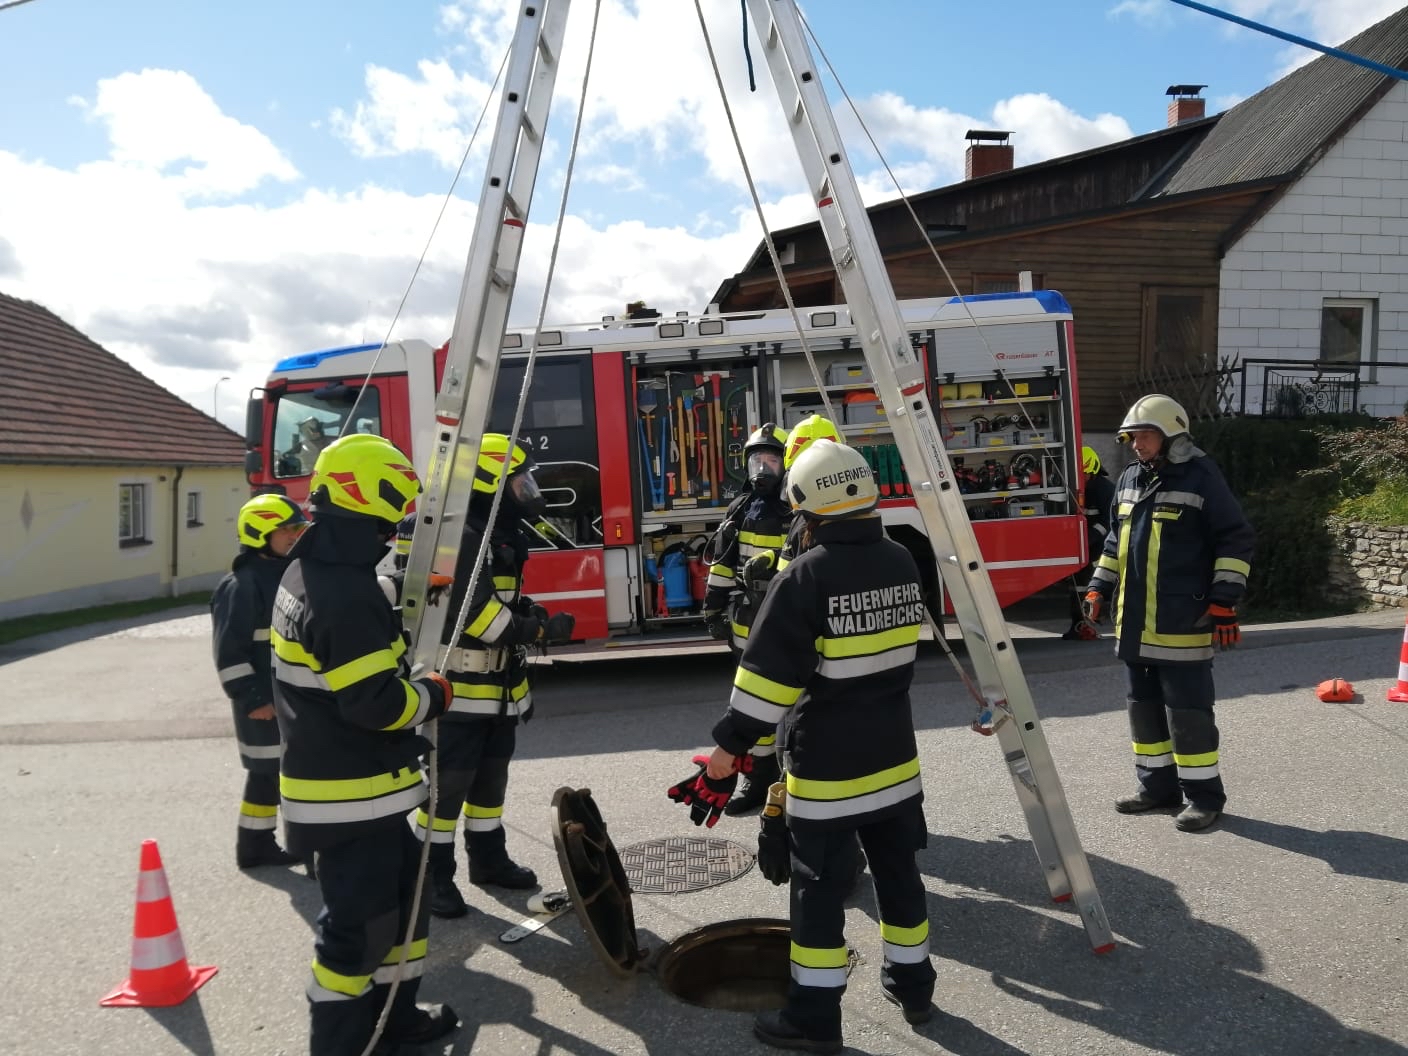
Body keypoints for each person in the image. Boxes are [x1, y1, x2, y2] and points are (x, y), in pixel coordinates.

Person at [694, 439, 936, 1052]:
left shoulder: (805, 578)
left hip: (829, 771)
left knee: (819, 895)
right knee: (900, 876)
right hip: (895, 761)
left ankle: (813, 1019)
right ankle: (914, 985)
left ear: (811, 508)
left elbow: (764, 689)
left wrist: (727, 753)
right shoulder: (904, 561)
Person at [271, 433, 460, 1056]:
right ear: (370, 496)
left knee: (404, 910)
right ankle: (341, 1045)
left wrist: (404, 585)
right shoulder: (342, 591)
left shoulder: (316, 566)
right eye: (395, 506)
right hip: (350, 800)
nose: (397, 522)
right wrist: (434, 695)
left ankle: (396, 1019)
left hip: (357, 793)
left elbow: (348, 626)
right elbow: (375, 704)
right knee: (354, 936)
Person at [411, 433, 575, 920]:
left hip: (494, 695)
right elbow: (478, 617)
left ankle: (488, 860)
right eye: (517, 481)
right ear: (488, 484)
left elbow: (497, 600)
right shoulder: (460, 536)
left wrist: (526, 609)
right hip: (458, 696)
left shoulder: (490, 532)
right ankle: (432, 878)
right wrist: (539, 627)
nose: (528, 489)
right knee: (444, 796)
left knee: (487, 790)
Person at [1083, 394, 1254, 834]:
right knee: (1144, 711)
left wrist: (1224, 602)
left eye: (1143, 435)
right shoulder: (1129, 478)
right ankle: (1157, 789)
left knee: (1189, 714)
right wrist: (1099, 586)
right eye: (1132, 436)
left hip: (1183, 623)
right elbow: (1114, 542)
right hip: (1136, 626)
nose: (1135, 444)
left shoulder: (1201, 477)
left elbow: (1235, 539)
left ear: (1172, 435)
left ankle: (1204, 798)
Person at [210, 493, 307, 871]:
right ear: (260, 533)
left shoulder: (284, 574)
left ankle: (256, 845)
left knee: (273, 776)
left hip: (284, 699)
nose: (294, 536)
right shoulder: (240, 585)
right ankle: (259, 846)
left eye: (296, 528)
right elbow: (228, 656)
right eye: (286, 530)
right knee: (269, 774)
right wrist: (253, 700)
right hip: (262, 704)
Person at [700, 422, 791, 813]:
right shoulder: (739, 509)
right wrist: (713, 608)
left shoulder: (797, 509)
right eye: (757, 460)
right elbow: (722, 565)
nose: (763, 469)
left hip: (788, 622)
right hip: (747, 624)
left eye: (771, 460)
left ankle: (802, 787)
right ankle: (761, 784)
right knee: (751, 709)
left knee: (797, 710)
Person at [1064, 445, 1116, 640]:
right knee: (1076, 585)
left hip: (1101, 546)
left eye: (1084, 474)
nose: (1081, 478)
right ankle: (1078, 624)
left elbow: (1108, 524)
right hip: (1083, 545)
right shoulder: (1078, 489)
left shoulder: (1106, 490)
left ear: (1092, 472)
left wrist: (1088, 540)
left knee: (1096, 584)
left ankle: (1095, 621)